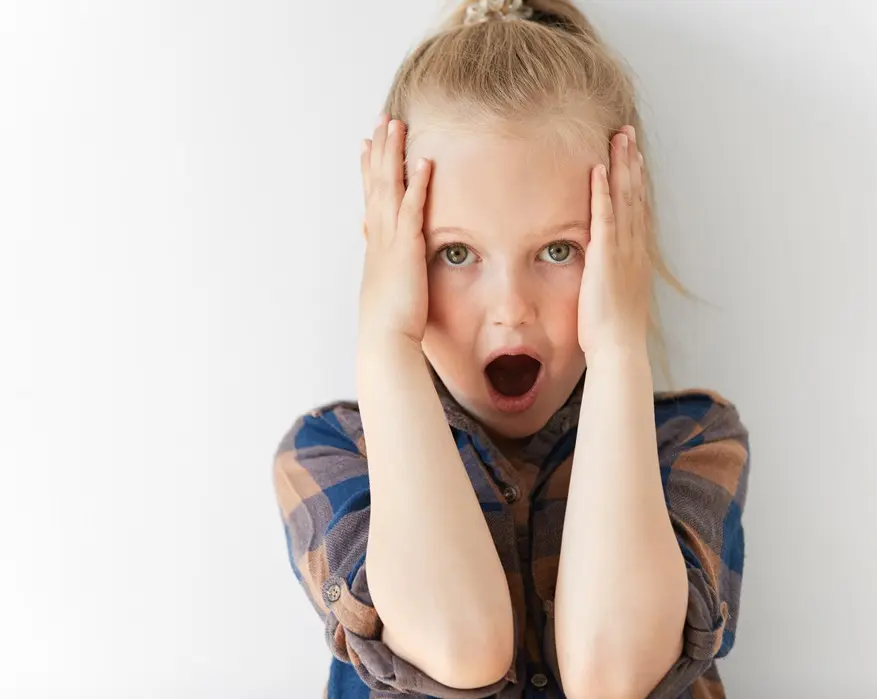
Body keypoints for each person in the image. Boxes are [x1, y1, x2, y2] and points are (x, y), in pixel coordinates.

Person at [272, 1, 751, 696]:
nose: (510, 307)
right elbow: (458, 643)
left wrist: (618, 348)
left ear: (622, 249)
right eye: (456, 252)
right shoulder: (329, 455)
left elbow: (612, 672)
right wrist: (385, 343)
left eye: (559, 249)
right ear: (395, 260)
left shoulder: (692, 442)